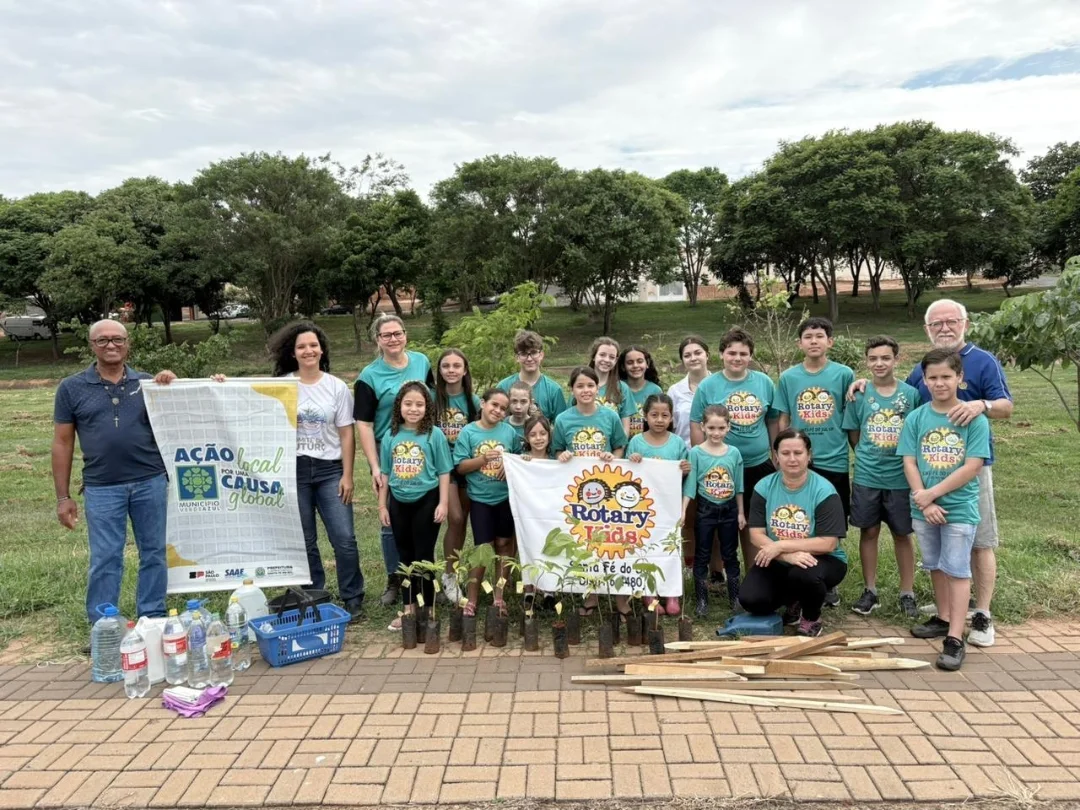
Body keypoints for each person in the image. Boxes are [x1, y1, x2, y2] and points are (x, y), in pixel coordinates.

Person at [848, 298, 1013, 647]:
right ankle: (945, 614)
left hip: (970, 471)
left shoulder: (983, 361)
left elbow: (1006, 406)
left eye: (951, 321)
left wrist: (980, 404)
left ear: (964, 322)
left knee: (979, 542)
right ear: (927, 329)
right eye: (936, 323)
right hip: (926, 474)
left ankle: (981, 613)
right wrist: (862, 383)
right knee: (937, 552)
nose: (944, 328)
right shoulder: (922, 371)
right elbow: (898, 397)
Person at [52, 319, 177, 637]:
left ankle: (152, 619)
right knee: (106, 556)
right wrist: (63, 497)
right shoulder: (72, 388)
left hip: (150, 481)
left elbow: (179, 418)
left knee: (154, 552)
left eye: (118, 339)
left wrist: (171, 386)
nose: (111, 345)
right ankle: (104, 627)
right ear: (92, 345)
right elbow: (63, 442)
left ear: (127, 343)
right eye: (103, 340)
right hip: (101, 486)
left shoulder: (148, 384)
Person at [898, 349, 991, 671]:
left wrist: (932, 495)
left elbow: (973, 465)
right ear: (924, 380)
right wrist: (923, 498)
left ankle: (954, 638)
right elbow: (909, 460)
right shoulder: (917, 417)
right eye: (933, 377)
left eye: (946, 377)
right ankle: (943, 615)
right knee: (935, 564)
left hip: (958, 508)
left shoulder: (972, 419)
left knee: (957, 569)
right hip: (924, 506)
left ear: (960, 379)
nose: (940, 383)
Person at [270, 321, 365, 621]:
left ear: (321, 349)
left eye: (313, 345)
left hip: (329, 470)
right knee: (305, 540)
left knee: (344, 538)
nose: (308, 350)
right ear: (293, 353)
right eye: (301, 347)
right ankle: (315, 595)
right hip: (294, 470)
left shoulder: (336, 387)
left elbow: (347, 434)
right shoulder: (282, 385)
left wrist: (347, 475)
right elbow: (248, 404)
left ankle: (353, 596)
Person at [776, 318, 853, 608]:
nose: (814, 341)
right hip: (798, 462)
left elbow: (851, 414)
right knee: (799, 518)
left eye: (820, 336)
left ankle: (827, 579)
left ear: (830, 342)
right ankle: (798, 573)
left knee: (831, 525)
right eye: (808, 337)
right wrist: (780, 452)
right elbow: (783, 417)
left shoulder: (844, 374)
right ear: (800, 343)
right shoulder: (789, 378)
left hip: (833, 460)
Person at [355, 314, 432, 607]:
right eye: (386, 335)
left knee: (422, 515)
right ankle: (394, 578)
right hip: (388, 453)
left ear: (406, 335)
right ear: (378, 340)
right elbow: (363, 423)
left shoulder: (421, 362)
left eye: (397, 333)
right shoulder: (369, 376)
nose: (393, 339)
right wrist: (375, 466)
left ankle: (424, 576)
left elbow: (431, 403)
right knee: (390, 517)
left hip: (421, 449)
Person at [841, 336, 921, 618]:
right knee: (869, 531)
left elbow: (917, 432)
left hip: (901, 478)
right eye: (873, 359)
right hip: (867, 476)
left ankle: (907, 592)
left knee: (902, 534)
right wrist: (865, 454)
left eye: (885, 358)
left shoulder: (910, 395)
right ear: (866, 361)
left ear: (896, 360)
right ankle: (870, 590)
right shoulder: (859, 394)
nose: (879, 363)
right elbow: (853, 432)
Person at [741, 430, 849, 638]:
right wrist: (786, 555)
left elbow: (828, 543)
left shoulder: (824, 491)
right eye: (785, 453)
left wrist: (781, 546)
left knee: (803, 574)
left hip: (823, 559)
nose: (792, 459)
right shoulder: (764, 487)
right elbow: (756, 535)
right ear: (776, 457)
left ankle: (811, 616)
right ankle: (794, 600)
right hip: (780, 559)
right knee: (751, 599)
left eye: (798, 453)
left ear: (809, 456)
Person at [690, 328, 779, 575]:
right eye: (731, 353)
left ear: (750, 356)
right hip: (719, 465)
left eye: (743, 353)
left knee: (752, 522)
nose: (737, 358)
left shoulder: (763, 382)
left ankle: (754, 573)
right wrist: (702, 458)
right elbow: (696, 422)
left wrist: (775, 451)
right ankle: (717, 572)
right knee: (719, 520)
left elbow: (772, 419)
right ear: (721, 354)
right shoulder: (709, 385)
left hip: (757, 463)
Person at [377, 383, 452, 630]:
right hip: (399, 502)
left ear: (427, 407)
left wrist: (443, 503)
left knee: (424, 557)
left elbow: (443, 472)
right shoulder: (391, 435)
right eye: (408, 403)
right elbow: (385, 474)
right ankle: (409, 609)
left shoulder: (434, 435)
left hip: (426, 501)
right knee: (405, 557)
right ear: (399, 405)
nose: (413, 409)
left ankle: (428, 610)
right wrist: (382, 505)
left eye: (419, 404)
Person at [453, 388, 521, 619]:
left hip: (505, 498)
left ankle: (498, 595)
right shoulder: (468, 433)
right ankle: (472, 598)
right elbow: (460, 466)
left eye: (503, 408)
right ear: (482, 403)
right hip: (480, 499)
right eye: (494, 405)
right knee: (482, 550)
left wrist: (509, 467)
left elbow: (520, 460)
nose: (498, 411)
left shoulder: (509, 432)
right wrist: (482, 460)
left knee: (504, 545)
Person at [628, 393, 690, 618]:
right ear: (645, 416)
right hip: (642, 509)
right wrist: (632, 459)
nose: (659, 420)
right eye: (654, 415)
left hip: (669, 506)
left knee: (670, 548)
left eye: (665, 415)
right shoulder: (636, 442)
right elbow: (626, 475)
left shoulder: (677, 443)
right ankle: (648, 592)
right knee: (645, 548)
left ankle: (671, 593)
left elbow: (686, 476)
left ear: (672, 418)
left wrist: (685, 470)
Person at [428, 348, 480, 605]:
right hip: (442, 468)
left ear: (465, 370)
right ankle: (448, 575)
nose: (451, 370)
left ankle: (454, 572)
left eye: (456, 365)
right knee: (456, 518)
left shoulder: (474, 401)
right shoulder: (430, 398)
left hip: (466, 467)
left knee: (464, 520)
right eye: (445, 365)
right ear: (439, 370)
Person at [683, 406, 745, 616]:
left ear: (728, 427)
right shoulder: (697, 453)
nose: (716, 432)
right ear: (703, 427)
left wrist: (741, 512)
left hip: (728, 509)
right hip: (706, 509)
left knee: (730, 553)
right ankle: (702, 600)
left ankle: (735, 597)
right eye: (711, 428)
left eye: (721, 427)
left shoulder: (734, 453)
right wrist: (684, 511)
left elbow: (739, 486)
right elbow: (690, 486)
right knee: (702, 553)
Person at [552, 367, 628, 461]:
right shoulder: (562, 419)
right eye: (580, 386)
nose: (586, 390)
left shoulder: (611, 416)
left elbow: (619, 447)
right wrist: (562, 456)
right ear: (572, 390)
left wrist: (613, 457)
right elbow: (557, 450)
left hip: (603, 473)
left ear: (597, 389)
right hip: (574, 474)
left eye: (590, 385)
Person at [497, 329, 567, 421]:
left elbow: (560, 426)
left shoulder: (554, 390)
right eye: (524, 354)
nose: (529, 359)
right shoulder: (503, 387)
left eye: (533, 352)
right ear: (517, 358)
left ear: (541, 355)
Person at [585, 337, 634, 437]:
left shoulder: (622, 388)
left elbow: (625, 428)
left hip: (612, 449)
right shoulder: (581, 385)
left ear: (616, 361)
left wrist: (619, 449)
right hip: (585, 445)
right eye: (602, 355)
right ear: (594, 356)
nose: (606, 360)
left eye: (611, 357)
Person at [668, 335, 710, 449]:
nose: (693, 358)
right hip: (683, 457)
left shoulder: (720, 386)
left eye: (698, 353)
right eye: (687, 355)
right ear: (682, 361)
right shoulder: (674, 391)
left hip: (717, 457)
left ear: (707, 355)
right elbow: (669, 429)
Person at [618, 345, 663, 438]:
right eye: (630, 362)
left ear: (647, 363)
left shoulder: (655, 390)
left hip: (646, 445)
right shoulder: (617, 388)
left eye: (640, 361)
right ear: (623, 366)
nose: (635, 365)